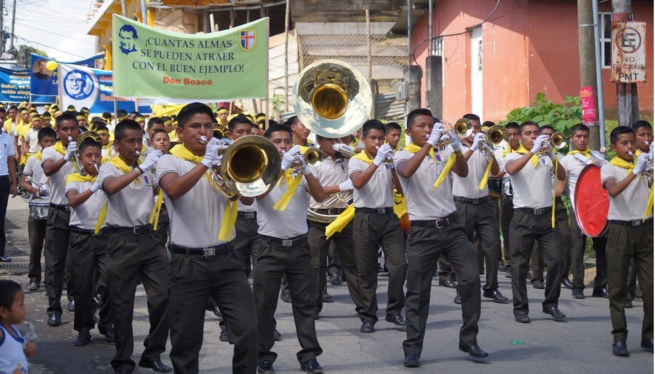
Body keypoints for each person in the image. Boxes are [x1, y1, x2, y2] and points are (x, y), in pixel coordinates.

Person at [156, 103, 257, 373]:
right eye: (196, 126)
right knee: (186, 343)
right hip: (187, 263)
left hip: (227, 259)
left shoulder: (222, 158)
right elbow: (174, 191)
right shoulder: (169, 160)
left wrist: (225, 164)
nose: (203, 131)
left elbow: (248, 197)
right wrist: (205, 162)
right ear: (179, 131)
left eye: (208, 126)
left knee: (248, 329)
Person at [395, 109, 487, 368]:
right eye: (421, 126)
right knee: (418, 291)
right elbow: (406, 173)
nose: (426, 130)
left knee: (470, 279)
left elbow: (463, 171)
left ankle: (468, 339)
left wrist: (456, 147)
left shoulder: (442, 149)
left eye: (430, 126)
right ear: (409, 131)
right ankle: (412, 348)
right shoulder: (403, 154)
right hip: (422, 231)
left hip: (452, 226)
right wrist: (430, 144)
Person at [98, 120, 171, 374]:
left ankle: (153, 353)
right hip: (121, 241)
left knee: (163, 297)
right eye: (130, 141)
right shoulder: (109, 167)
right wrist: (141, 169)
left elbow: (165, 189)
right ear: (117, 144)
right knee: (122, 305)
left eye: (140, 140)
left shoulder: (147, 166)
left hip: (150, 238)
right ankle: (123, 360)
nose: (136, 146)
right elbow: (111, 188)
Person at [253, 124, 324, 374]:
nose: (283, 146)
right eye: (277, 141)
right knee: (263, 305)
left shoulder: (300, 169)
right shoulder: (258, 169)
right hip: (269, 247)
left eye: (286, 141)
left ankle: (309, 356)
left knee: (305, 304)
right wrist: (280, 168)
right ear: (267, 144)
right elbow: (258, 196)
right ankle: (263, 356)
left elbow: (320, 195)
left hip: (299, 247)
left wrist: (306, 171)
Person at [504, 121, 566, 323]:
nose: (533, 137)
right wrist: (533, 152)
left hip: (547, 216)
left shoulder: (547, 156)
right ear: (520, 138)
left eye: (536, 133)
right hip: (523, 216)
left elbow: (562, 176)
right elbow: (512, 170)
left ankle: (551, 304)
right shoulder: (513, 155)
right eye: (528, 134)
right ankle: (520, 308)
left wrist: (550, 155)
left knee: (556, 260)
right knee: (520, 265)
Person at [349, 120, 407, 333]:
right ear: (362, 140)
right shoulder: (356, 160)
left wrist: (391, 167)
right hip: (365, 217)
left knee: (399, 265)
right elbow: (357, 183)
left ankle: (394, 311)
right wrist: (377, 161)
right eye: (372, 138)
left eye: (380, 139)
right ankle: (368, 316)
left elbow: (401, 190)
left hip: (389, 217)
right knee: (366, 270)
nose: (377, 142)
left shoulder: (388, 159)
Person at [601, 126, 653, 357]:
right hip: (621, 231)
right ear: (614, 147)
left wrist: (647, 170)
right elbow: (613, 192)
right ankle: (619, 337)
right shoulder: (609, 167)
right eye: (625, 143)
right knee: (618, 288)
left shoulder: (644, 164)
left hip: (645, 229)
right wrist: (635, 172)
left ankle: (648, 336)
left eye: (633, 142)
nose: (631, 146)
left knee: (651, 289)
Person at [451, 113, 508, 304]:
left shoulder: (484, 147)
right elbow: (455, 165)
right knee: (463, 249)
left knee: (492, 247)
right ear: (462, 129)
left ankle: (491, 288)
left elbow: (494, 172)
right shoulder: (455, 147)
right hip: (462, 204)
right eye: (470, 127)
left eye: (476, 127)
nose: (474, 131)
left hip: (484, 204)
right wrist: (473, 148)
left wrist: (488, 149)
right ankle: (462, 288)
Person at [308, 134, 363, 320]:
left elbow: (370, 157)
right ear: (319, 141)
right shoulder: (312, 160)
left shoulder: (349, 158)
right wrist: (341, 186)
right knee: (316, 265)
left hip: (343, 217)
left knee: (352, 264)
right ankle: (314, 307)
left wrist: (352, 150)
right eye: (330, 140)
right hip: (318, 217)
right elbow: (315, 191)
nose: (334, 144)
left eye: (336, 139)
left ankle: (364, 308)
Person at [65, 135, 113, 346]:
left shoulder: (107, 178)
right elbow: (73, 200)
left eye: (97, 156)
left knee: (112, 282)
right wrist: (94, 187)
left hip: (105, 236)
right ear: (80, 159)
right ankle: (84, 329)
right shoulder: (74, 179)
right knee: (82, 285)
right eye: (89, 156)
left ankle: (107, 324)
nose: (94, 160)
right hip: (81, 237)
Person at [559, 124, 608, 300]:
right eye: (578, 136)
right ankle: (578, 285)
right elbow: (560, 185)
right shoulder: (566, 161)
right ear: (571, 138)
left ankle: (600, 286)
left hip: (598, 210)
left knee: (602, 248)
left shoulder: (597, 157)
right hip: (579, 210)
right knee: (577, 248)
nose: (582, 140)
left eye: (585, 136)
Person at [41, 113, 78, 321]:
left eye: (73, 129)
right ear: (57, 131)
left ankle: (75, 299)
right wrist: (66, 157)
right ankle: (54, 309)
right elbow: (47, 170)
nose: (69, 133)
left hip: (80, 212)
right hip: (58, 211)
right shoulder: (50, 150)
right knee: (55, 263)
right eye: (64, 129)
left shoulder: (84, 149)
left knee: (77, 262)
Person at [528, 125, 571, 291]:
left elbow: (561, 183)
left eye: (550, 135)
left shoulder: (558, 156)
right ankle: (537, 276)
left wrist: (549, 194)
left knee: (565, 236)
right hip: (537, 202)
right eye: (543, 135)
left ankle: (563, 275)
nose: (547, 138)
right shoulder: (532, 156)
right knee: (537, 241)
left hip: (555, 201)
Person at [22, 127, 56, 290]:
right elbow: (24, 182)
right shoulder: (33, 159)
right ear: (40, 142)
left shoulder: (60, 158)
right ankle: (34, 277)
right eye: (46, 141)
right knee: (36, 245)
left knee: (53, 246)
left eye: (52, 141)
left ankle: (53, 278)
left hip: (55, 207)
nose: (49, 144)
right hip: (37, 206)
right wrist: (37, 191)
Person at [226, 114, 259, 276]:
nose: (245, 136)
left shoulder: (259, 153)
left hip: (258, 217)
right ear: (229, 135)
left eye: (248, 132)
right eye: (240, 132)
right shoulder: (222, 156)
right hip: (235, 218)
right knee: (236, 267)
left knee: (262, 268)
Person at [626, 120, 653, 307]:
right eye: (641, 135)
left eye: (649, 135)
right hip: (637, 210)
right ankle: (627, 292)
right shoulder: (631, 158)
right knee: (634, 257)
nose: (646, 139)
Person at [494, 122, 520, 276]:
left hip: (523, 196)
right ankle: (510, 264)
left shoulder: (526, 152)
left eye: (515, 134)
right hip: (507, 196)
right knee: (507, 230)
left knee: (521, 231)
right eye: (508, 135)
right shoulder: (499, 153)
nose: (512, 138)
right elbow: (493, 173)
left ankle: (521, 263)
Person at [0, 280, 37, 373]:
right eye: (21, 305)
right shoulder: (1, 333)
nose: (25, 308)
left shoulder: (14, 331)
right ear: (4, 311)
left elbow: (12, 352)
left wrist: (28, 349)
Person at [0, 110, 16, 263]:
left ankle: (1, 252)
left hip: (2, 180)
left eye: (2, 118)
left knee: (1, 217)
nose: (0, 120)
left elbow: (11, 161)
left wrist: (14, 182)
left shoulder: (8, 138)